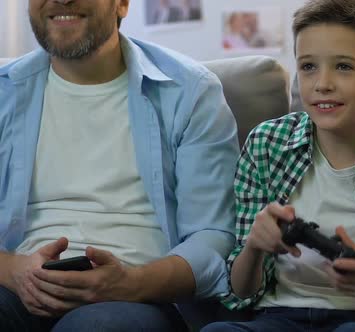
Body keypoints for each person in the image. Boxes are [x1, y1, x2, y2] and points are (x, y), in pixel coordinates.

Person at [0, 0, 239, 331]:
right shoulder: (4, 92)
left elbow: (214, 236)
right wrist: (12, 270)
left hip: (139, 298)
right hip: (17, 289)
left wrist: (131, 282)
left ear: (122, 4)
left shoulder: (191, 92)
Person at [203, 0, 355, 331]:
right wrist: (254, 246)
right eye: (308, 66)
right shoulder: (267, 144)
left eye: (343, 67)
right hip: (278, 315)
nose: (322, 83)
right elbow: (240, 293)